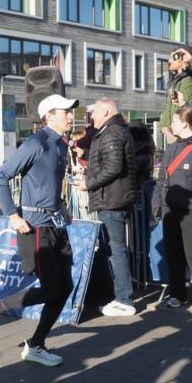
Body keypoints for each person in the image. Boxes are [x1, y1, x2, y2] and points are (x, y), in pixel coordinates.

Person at [0, 94, 78, 366]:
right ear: (49, 116)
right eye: (65, 111)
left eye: (70, 111)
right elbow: (1, 176)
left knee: (65, 287)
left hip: (56, 224)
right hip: (35, 228)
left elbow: (51, 183)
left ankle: (36, 344)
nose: (71, 115)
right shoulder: (36, 143)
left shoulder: (61, 145)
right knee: (51, 289)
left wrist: (63, 205)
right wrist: (12, 215)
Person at [77, 98, 138, 317]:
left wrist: (88, 183)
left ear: (105, 111)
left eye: (93, 112)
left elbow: (113, 167)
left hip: (112, 199)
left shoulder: (112, 132)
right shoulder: (114, 130)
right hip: (112, 197)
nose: (91, 116)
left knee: (116, 249)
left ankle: (124, 299)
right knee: (114, 249)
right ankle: (120, 296)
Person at [153, 108, 192, 315]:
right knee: (174, 256)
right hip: (172, 212)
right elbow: (162, 180)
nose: (170, 124)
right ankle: (177, 294)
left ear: (184, 124)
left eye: (174, 120)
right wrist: (159, 205)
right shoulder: (172, 148)